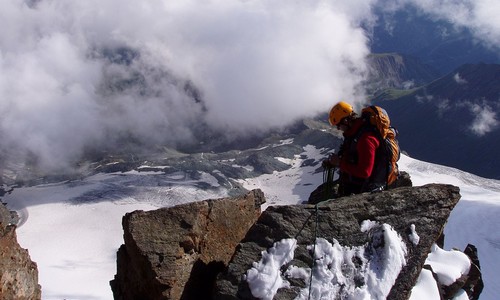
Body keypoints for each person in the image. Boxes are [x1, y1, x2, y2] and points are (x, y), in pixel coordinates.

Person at [322, 101, 384, 196]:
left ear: (346, 121)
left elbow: (365, 172)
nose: (338, 129)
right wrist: (333, 163)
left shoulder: (365, 139)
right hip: (354, 187)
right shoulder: (353, 134)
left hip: (363, 191)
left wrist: (339, 163)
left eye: (338, 125)